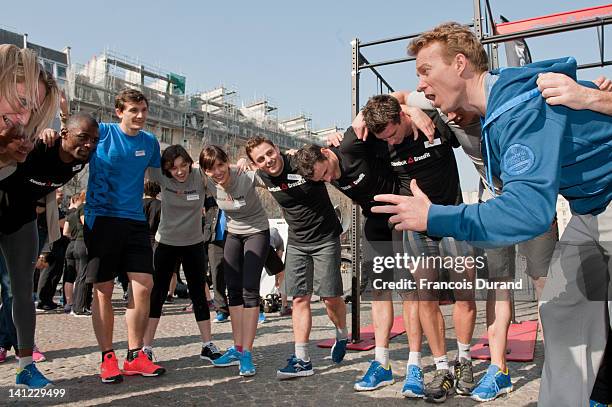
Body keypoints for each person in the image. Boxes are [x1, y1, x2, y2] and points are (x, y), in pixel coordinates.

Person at [371, 22, 611, 407]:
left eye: (425, 71)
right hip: (589, 210)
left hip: (608, 202)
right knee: (561, 306)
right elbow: (411, 100)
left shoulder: (518, 106)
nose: (420, 85)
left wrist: (435, 217)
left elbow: (528, 213)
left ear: (460, 64)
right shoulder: (494, 107)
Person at [245, 136, 348, 380]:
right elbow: (220, 171)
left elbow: (325, 154)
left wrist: (333, 140)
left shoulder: (299, 162)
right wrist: (238, 165)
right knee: (299, 298)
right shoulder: (263, 176)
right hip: (299, 242)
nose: (268, 160)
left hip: (325, 237)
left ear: (277, 149)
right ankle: (302, 359)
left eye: (270, 153)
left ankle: (342, 332)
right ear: (255, 164)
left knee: (330, 298)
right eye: (260, 159)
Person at [83, 88, 165, 384]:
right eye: (133, 110)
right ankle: (108, 358)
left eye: (143, 110)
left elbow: (166, 174)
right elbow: (71, 139)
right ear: (119, 112)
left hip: (134, 220)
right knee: (103, 289)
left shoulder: (150, 142)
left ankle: (135, 355)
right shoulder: (101, 132)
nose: (140, 116)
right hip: (101, 218)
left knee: (144, 284)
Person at [143, 145, 222, 363]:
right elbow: (142, 161)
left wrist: (242, 164)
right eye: (174, 168)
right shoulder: (161, 175)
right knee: (157, 294)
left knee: (199, 294)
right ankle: (146, 347)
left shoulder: (199, 176)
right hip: (165, 243)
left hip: (193, 243)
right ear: (166, 169)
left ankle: (207, 344)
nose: (179, 171)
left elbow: (221, 170)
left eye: (183, 165)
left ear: (190, 163)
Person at [200, 144, 270, 377]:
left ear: (226, 161)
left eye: (221, 165)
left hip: (257, 232)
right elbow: (181, 170)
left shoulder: (245, 176)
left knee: (250, 289)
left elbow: (273, 175)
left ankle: (247, 353)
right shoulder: (208, 181)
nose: (218, 172)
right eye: (211, 169)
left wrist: (245, 161)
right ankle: (238, 347)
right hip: (233, 233)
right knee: (233, 291)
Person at [203, 200, 230, 323]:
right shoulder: (208, 191)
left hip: (236, 233)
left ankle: (249, 307)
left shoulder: (238, 185)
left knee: (240, 272)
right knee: (216, 273)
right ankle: (221, 310)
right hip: (214, 236)